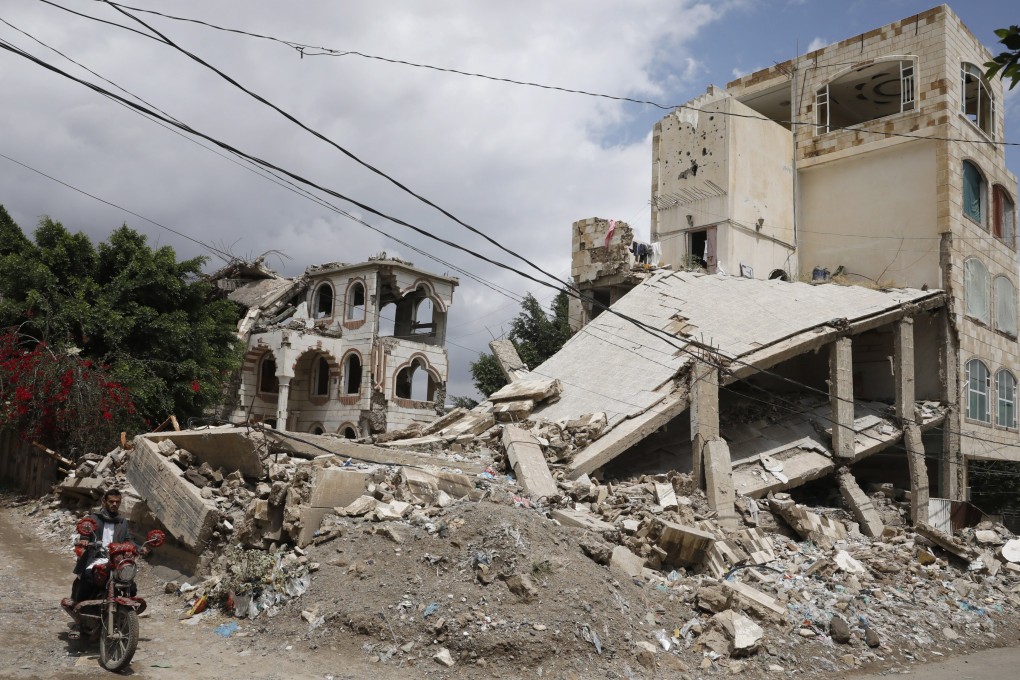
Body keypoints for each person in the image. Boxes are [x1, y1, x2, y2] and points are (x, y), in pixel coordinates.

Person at [65, 488, 148, 639]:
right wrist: (84, 539)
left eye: (117, 502)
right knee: (88, 578)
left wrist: (139, 548)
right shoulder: (94, 518)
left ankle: (125, 616)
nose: (114, 504)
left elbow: (128, 540)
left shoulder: (122, 521)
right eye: (111, 502)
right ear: (104, 502)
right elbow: (86, 532)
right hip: (95, 557)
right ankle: (79, 618)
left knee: (130, 584)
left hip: (115, 560)